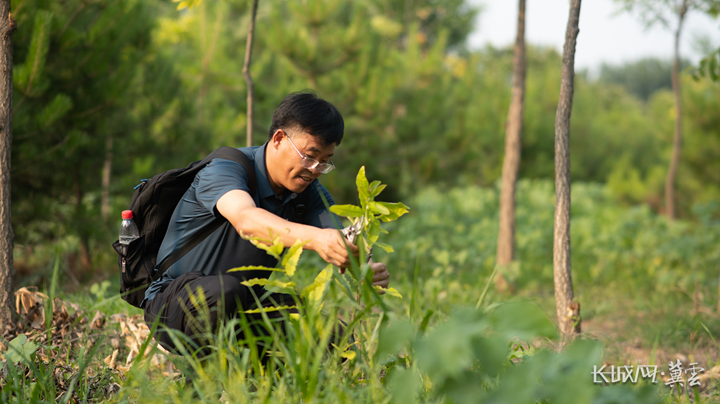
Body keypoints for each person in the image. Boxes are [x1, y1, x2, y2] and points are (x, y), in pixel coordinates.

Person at [142, 91, 390, 356]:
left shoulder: (309, 194)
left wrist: (360, 264)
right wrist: (316, 240)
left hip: (244, 304)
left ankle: (263, 385)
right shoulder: (225, 168)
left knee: (334, 337)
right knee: (225, 291)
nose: (315, 169)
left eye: (325, 162)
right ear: (279, 139)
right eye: (309, 156)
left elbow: (336, 236)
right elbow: (247, 220)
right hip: (174, 304)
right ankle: (203, 388)